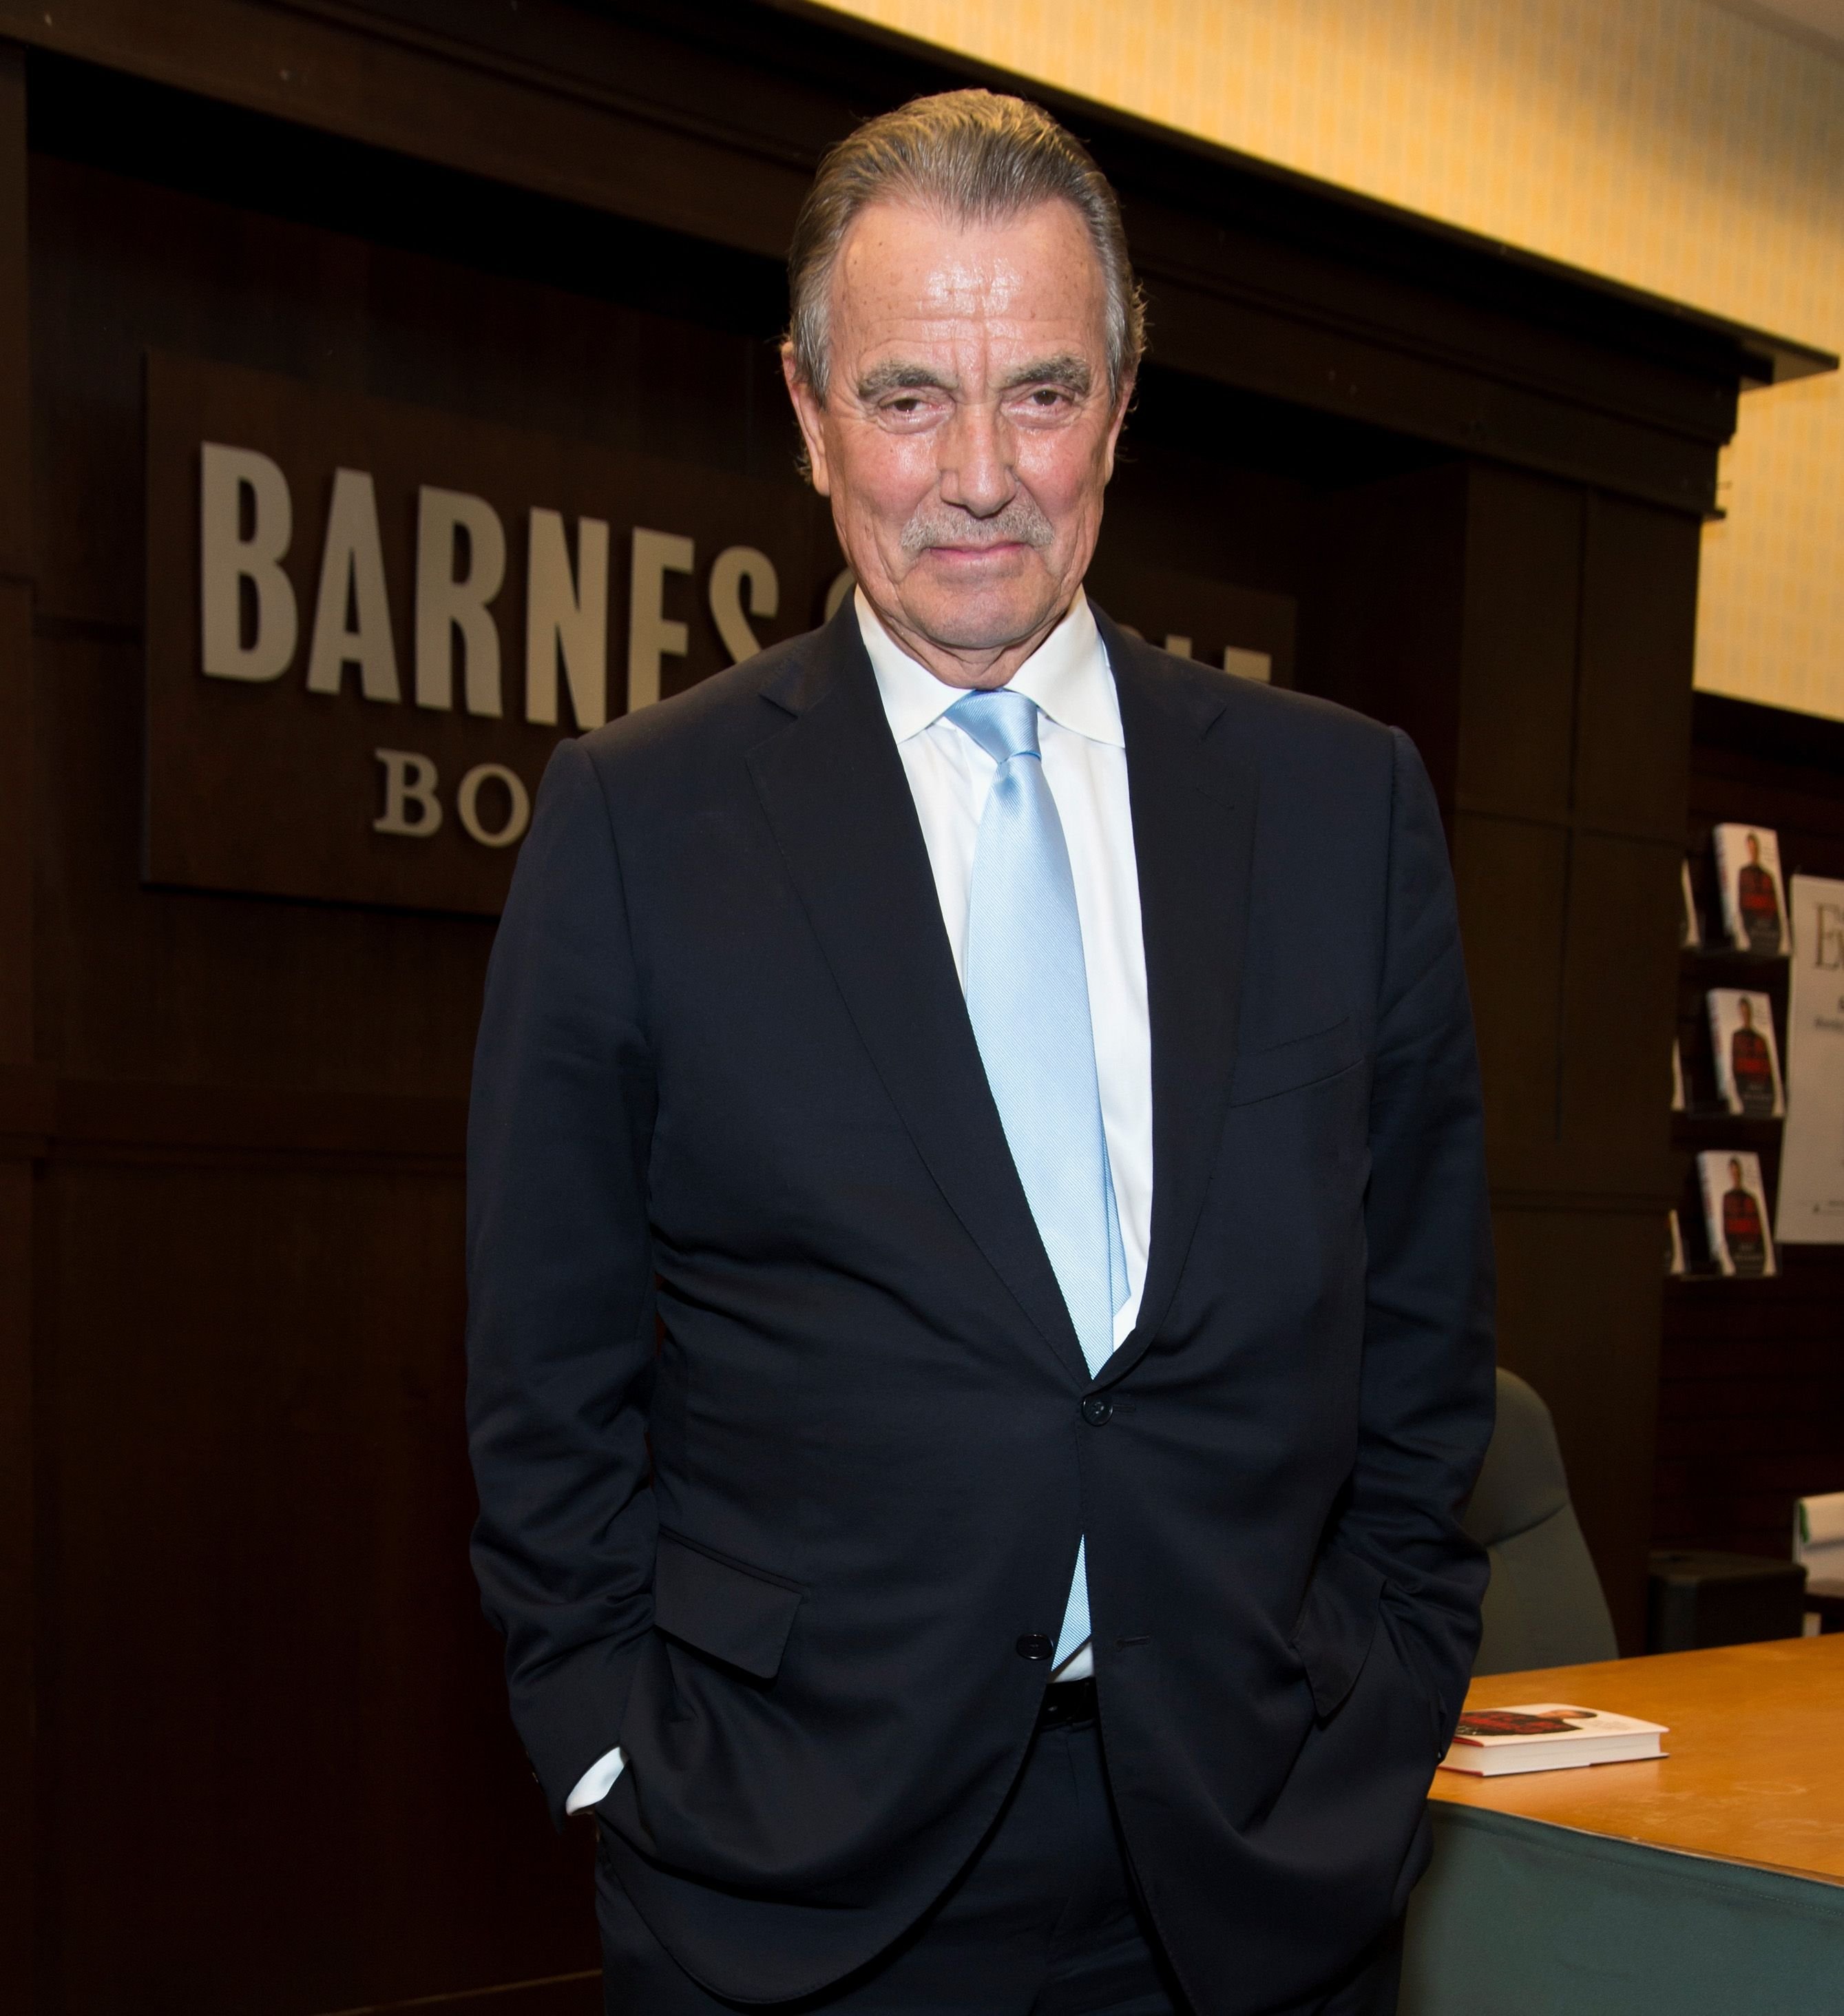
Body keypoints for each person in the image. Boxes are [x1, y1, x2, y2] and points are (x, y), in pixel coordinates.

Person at [466, 90, 1495, 2016]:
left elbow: (1422, 1344)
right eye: (905, 397)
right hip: (787, 1861)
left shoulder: (1336, 806)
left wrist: (1383, 1688)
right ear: (804, 411)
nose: (976, 475)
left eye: (1036, 392)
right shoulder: (638, 817)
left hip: (1255, 1850)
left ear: (1119, 404)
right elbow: (547, 1366)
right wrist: (612, 1733)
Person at [1728, 996, 1777, 1118]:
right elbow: (1736, 1067)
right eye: (1743, 1011)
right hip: (1745, 1089)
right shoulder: (1737, 1036)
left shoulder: (1760, 1039)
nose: (1746, 1014)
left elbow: (1767, 1070)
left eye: (1747, 1011)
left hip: (1762, 1092)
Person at [1735, 831, 1783, 955]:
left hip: (1768, 929)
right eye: (1750, 848)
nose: (1753, 851)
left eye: (1755, 848)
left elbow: (1772, 907)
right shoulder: (1744, 873)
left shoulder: (1767, 876)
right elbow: (1744, 904)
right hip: (1752, 926)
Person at [1721, 1157, 1768, 1276]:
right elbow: (1727, 1229)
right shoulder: (1727, 1198)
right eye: (1733, 1172)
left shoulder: (1750, 1198)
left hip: (1754, 1252)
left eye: (1737, 1172)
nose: (1735, 1175)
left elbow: (1758, 1230)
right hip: (1737, 1251)